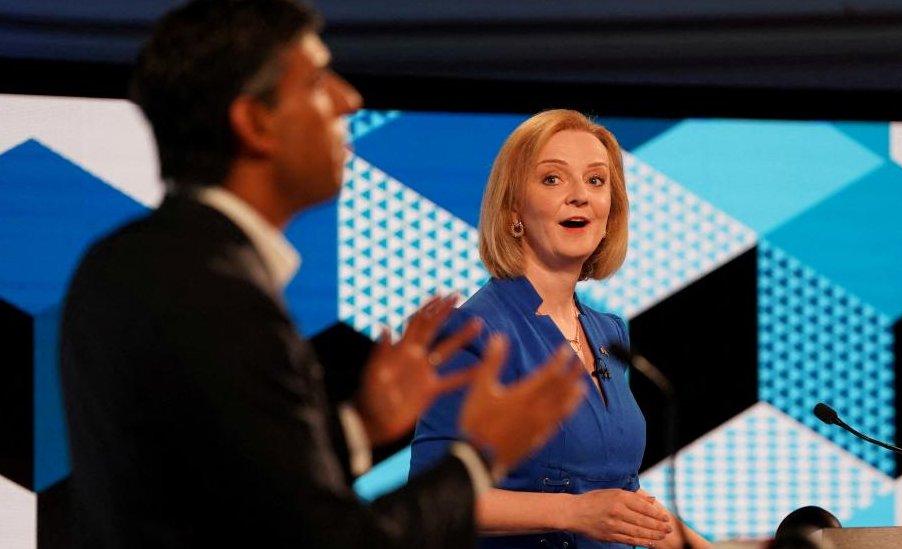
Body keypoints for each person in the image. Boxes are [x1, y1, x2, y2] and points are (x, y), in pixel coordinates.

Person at [58, 2, 585, 548]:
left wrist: (361, 424)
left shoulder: (125, 261)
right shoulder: (219, 296)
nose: (348, 99)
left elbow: (227, 489)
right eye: (316, 80)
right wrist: (479, 459)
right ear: (255, 123)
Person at [410, 110, 711, 549]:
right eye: (553, 179)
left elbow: (621, 502)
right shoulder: (475, 330)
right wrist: (571, 512)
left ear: (612, 210)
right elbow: (433, 501)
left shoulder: (609, 333)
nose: (580, 197)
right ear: (514, 208)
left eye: (596, 181)